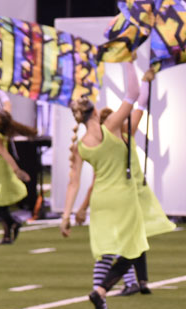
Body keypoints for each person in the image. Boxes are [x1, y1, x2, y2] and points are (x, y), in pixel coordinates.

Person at [61, 62, 149, 309]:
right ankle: (101, 290)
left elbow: (73, 183)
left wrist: (66, 216)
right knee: (133, 248)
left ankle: (100, 300)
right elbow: (133, 95)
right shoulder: (110, 128)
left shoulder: (80, 144)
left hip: (100, 199)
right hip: (123, 196)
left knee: (104, 249)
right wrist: (127, 60)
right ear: (95, 111)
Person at [74, 75, 175, 296]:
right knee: (134, 237)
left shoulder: (110, 137)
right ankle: (140, 281)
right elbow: (140, 102)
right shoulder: (128, 130)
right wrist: (146, 82)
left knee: (124, 240)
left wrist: (80, 207)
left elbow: (91, 182)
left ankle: (120, 284)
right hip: (135, 190)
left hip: (123, 193)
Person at [0, 110, 31, 244]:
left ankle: (10, 229)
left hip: (0, 172)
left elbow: (4, 153)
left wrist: (17, 170)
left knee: (0, 205)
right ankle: (9, 231)